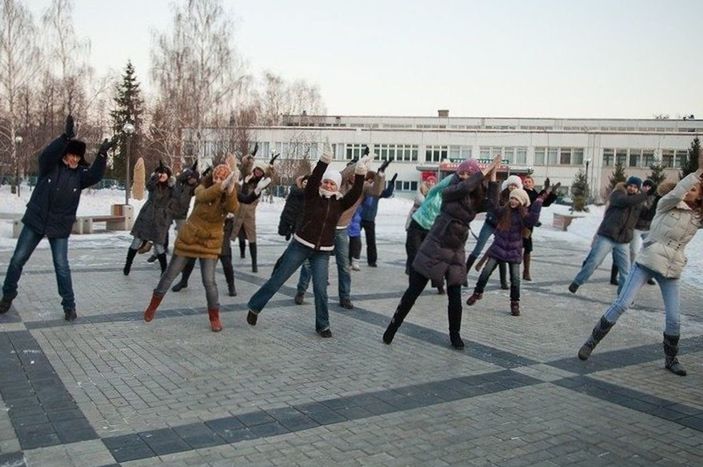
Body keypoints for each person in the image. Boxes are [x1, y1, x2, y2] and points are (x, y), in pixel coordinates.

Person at [577, 164, 703, 377]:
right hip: (647, 261)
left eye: (694, 189)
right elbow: (679, 190)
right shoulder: (667, 203)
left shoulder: (698, 217)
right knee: (622, 304)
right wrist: (697, 174)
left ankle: (671, 359)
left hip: (672, 268)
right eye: (688, 187)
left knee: (674, 318)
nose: (689, 191)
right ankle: (591, 342)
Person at [0, 116, 114, 320]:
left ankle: (69, 306)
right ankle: (7, 296)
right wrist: (65, 137)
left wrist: (103, 154)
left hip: (59, 226)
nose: (75, 160)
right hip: (36, 219)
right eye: (72, 155)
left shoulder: (80, 175)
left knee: (61, 266)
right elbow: (46, 155)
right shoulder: (50, 166)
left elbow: (96, 175)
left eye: (78, 158)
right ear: (66, 154)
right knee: (18, 259)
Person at [383, 155, 501, 349]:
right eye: (461, 172)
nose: (464, 176)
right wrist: (482, 173)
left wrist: (494, 178)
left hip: (456, 250)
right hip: (436, 245)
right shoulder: (451, 189)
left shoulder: (475, 195)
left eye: (468, 173)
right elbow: (463, 187)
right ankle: (392, 327)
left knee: (455, 295)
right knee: (414, 290)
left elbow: (493, 207)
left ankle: (455, 335)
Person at [246, 150, 367, 337]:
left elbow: (356, 192)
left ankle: (323, 325)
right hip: (301, 245)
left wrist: (359, 175)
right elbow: (313, 180)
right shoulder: (312, 195)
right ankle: (255, 306)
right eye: (326, 181)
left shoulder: (340, 204)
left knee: (320, 289)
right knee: (278, 278)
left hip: (323, 251)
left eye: (332, 183)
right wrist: (323, 163)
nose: (328, 184)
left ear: (337, 187)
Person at [142, 164, 239, 332]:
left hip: (209, 243)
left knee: (209, 282)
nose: (217, 180)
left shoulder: (226, 196)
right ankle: (152, 306)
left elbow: (233, 208)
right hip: (190, 238)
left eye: (222, 178)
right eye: (216, 177)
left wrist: (230, 190)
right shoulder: (202, 186)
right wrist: (220, 186)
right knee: (169, 275)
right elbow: (202, 196)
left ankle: (214, 316)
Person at [294, 151, 385, 309]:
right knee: (309, 262)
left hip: (341, 230)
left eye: (358, 173)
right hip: (323, 227)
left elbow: (377, 191)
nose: (354, 176)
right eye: (354, 173)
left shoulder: (362, 187)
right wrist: (357, 165)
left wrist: (381, 174)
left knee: (343, 265)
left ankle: (345, 297)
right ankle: (301, 291)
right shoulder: (339, 181)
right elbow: (344, 173)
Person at [465, 187, 547, 316]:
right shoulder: (504, 211)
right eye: (512, 198)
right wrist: (493, 186)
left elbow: (532, 220)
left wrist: (537, 204)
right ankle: (477, 293)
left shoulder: (523, 215)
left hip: (514, 251)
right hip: (498, 248)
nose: (513, 201)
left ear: (521, 201)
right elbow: (493, 206)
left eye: (516, 199)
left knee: (515, 279)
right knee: (485, 272)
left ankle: (514, 303)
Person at [569, 176, 648, 295]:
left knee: (625, 270)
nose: (632, 188)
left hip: (623, 240)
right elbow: (626, 202)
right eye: (630, 185)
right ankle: (577, 282)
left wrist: (656, 198)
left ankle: (623, 296)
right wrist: (644, 195)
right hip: (608, 236)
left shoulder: (639, 202)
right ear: (627, 185)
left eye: (635, 187)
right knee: (594, 261)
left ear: (638, 189)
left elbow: (646, 215)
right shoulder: (618, 194)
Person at [467, 175, 524, 289]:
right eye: (511, 184)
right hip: (490, 224)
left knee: (502, 252)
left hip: (503, 227)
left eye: (515, 185)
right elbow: (493, 205)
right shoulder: (501, 195)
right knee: (478, 248)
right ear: (507, 185)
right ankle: (463, 275)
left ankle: (503, 281)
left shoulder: (519, 198)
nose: (512, 187)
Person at [123, 161, 176, 275]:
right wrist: (156, 177)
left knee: (158, 245)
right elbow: (149, 186)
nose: (162, 175)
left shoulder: (171, 188)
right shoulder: (154, 184)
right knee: (136, 241)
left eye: (165, 173)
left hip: (160, 219)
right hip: (146, 216)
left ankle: (164, 270)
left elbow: (175, 202)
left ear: (169, 175)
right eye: (160, 173)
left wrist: (167, 214)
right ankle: (128, 265)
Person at [404, 174, 454, 294]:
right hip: (416, 226)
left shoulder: (448, 202)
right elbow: (443, 183)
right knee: (414, 257)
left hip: (432, 230)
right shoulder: (434, 192)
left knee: (434, 258)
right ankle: (413, 287)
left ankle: (439, 285)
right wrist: (457, 174)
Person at [232, 147, 275, 273]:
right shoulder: (247, 177)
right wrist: (251, 157)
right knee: (237, 233)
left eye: (261, 171)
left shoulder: (262, 183)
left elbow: (270, 177)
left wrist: (271, 166)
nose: (258, 172)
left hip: (250, 213)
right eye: (257, 170)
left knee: (251, 237)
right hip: (239, 209)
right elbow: (245, 167)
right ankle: (241, 253)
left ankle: (254, 263)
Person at [521, 175, 559, 281]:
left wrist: (552, 193)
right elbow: (536, 201)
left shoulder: (534, 193)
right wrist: (545, 191)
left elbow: (544, 202)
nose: (527, 183)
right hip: (520, 222)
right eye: (525, 181)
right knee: (519, 245)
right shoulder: (522, 192)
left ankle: (526, 271)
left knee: (527, 247)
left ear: (532, 183)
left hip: (529, 224)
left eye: (529, 181)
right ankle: (517, 269)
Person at [359, 173, 397, 267]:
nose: (371, 182)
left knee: (371, 241)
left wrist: (391, 183)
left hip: (370, 219)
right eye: (369, 180)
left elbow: (387, 193)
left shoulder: (376, 192)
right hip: (359, 218)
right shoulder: (363, 189)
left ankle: (372, 261)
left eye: (373, 180)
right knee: (354, 239)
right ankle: (351, 258)